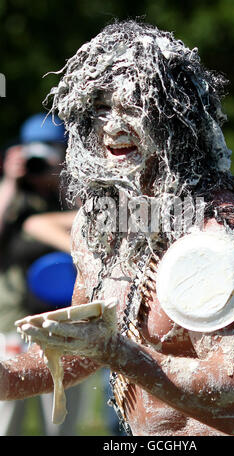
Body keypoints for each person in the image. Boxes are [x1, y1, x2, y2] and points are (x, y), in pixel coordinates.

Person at [0, 21, 234, 436]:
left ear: (179, 118)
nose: (113, 127)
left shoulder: (226, 233)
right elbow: (83, 354)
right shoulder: (99, 229)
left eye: (134, 108)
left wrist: (115, 350)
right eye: (99, 107)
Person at [0, 115, 81, 436]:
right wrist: (9, 180)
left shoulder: (70, 194)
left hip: (64, 324)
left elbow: (94, 225)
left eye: (51, 150)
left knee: (60, 422)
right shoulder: (11, 196)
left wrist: (66, 179)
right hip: (12, 323)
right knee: (7, 419)